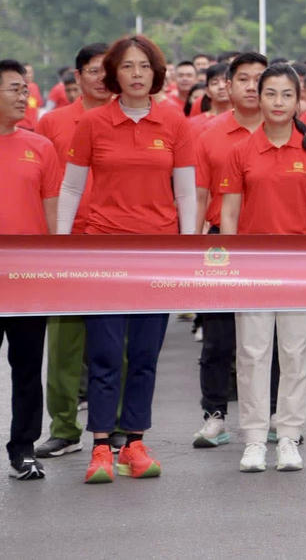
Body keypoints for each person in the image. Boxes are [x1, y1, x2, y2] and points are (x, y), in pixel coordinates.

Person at [59, 35, 198, 483]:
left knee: (143, 353)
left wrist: (187, 248)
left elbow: (185, 192)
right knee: (103, 352)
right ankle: (101, 446)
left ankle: (133, 442)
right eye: (127, 67)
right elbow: (72, 188)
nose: (137, 74)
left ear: (156, 73)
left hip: (157, 252)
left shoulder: (175, 123)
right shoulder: (94, 123)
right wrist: (63, 244)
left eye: (144, 66)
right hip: (104, 250)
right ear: (114, 74)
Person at [221, 63, 306, 472]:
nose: (278, 102)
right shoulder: (241, 151)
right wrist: (230, 268)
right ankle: (253, 438)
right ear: (258, 97)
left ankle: (287, 436)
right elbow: (229, 215)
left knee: (296, 353)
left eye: (287, 95)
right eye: (271, 94)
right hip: (252, 266)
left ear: (299, 100)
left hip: (301, 266)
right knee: (251, 353)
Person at [34, 43, 110, 459]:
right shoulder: (54, 123)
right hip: (69, 242)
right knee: (64, 342)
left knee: (116, 342)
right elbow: (45, 186)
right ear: (76, 78)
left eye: (106, 70)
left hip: (117, 244)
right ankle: (64, 426)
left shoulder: (127, 120)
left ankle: (115, 426)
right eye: (92, 71)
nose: (101, 77)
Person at [191, 52, 267, 449]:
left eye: (260, 79)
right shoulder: (209, 136)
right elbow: (199, 195)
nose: (252, 86)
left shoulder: (292, 133)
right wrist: (191, 243)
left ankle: (271, 417)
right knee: (219, 337)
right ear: (228, 85)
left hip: (274, 245)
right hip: (221, 242)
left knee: (268, 338)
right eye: (243, 79)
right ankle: (215, 414)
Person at [0, 59, 59, 479]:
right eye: (14, 89)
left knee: (26, 368)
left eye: (25, 89)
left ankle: (23, 450)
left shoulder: (40, 147)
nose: (25, 96)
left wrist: (57, 272)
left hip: (26, 280)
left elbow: (53, 216)